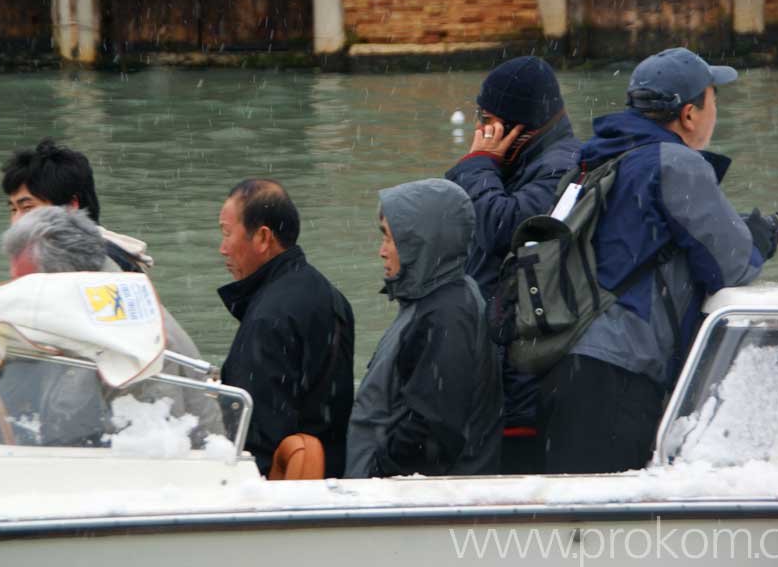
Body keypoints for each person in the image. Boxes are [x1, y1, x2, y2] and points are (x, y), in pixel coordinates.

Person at [539, 47, 778, 474]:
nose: (715, 111)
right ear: (689, 115)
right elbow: (733, 265)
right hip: (622, 371)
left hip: (569, 358)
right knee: (613, 516)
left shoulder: (597, 156)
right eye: (713, 100)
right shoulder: (676, 162)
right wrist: (760, 236)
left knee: (575, 516)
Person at [445, 56, 581, 474]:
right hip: (500, 357)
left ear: (513, 123)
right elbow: (454, 213)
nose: (479, 132)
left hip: (526, 372)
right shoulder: (516, 161)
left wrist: (478, 165)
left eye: (485, 120)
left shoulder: (561, 165)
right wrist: (476, 166)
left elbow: (503, 228)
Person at [0, 205, 223, 439]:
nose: (19, 298)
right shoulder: (83, 310)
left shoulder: (130, 335)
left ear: (62, 280)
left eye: (26, 289)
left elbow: (159, 443)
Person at [345, 179, 502, 478]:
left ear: (418, 243)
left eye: (390, 239)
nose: (382, 251)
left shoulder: (446, 315)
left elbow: (432, 431)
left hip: (410, 501)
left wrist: (380, 472)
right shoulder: (436, 299)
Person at [217, 179, 354, 478]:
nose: (223, 248)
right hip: (330, 470)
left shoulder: (268, 318)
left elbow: (255, 439)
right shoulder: (329, 295)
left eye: (227, 234)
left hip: (284, 488)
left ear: (263, 238)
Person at [2, 138, 153, 273]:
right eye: (14, 209)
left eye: (28, 208)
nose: (16, 222)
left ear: (71, 206)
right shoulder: (117, 255)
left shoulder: (90, 263)